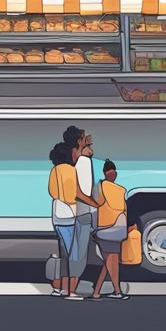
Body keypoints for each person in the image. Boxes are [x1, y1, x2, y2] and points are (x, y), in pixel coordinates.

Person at [48, 140, 98, 300]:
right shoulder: (70, 170)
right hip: (69, 214)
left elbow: (52, 191)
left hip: (57, 214)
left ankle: (60, 289)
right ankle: (70, 291)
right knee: (73, 254)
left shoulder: (54, 170)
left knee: (64, 253)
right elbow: (77, 193)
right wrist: (95, 204)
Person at [65, 125, 99, 297]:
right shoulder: (84, 162)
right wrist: (97, 206)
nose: (90, 146)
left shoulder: (73, 162)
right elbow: (83, 192)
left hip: (76, 213)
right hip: (84, 212)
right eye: (86, 140)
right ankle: (74, 288)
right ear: (79, 142)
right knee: (80, 251)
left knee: (76, 249)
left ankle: (71, 286)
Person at [91, 159, 129, 301]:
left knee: (109, 261)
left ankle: (110, 291)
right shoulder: (121, 190)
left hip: (105, 228)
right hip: (119, 228)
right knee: (110, 261)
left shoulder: (99, 187)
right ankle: (110, 291)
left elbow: (96, 205)